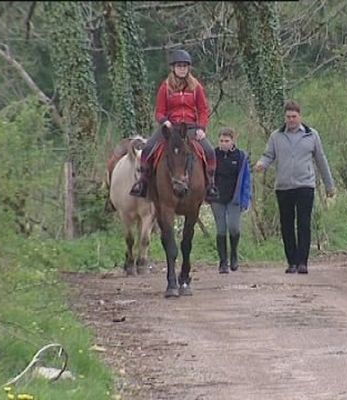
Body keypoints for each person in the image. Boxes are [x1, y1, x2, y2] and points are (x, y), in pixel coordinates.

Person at [254, 100, 335, 274]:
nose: (291, 120)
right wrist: (262, 164)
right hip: (283, 186)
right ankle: (291, 262)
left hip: (305, 184)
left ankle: (302, 262)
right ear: (284, 118)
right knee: (287, 224)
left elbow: (321, 160)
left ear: (300, 116)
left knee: (304, 223)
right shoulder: (277, 136)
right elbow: (268, 155)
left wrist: (329, 185)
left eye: (294, 116)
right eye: (288, 117)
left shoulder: (311, 135)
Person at [130, 49, 219, 200]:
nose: (182, 69)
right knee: (148, 149)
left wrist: (202, 128)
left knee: (210, 152)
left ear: (188, 68)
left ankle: (210, 185)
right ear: (173, 68)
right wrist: (165, 122)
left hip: (190, 128)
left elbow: (203, 110)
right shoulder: (165, 87)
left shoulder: (196, 87)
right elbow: (159, 111)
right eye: (179, 66)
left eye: (185, 66)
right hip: (170, 128)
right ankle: (143, 182)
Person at [210, 127, 252, 274]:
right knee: (221, 229)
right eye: (221, 141)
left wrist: (245, 199)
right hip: (217, 198)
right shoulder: (213, 155)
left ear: (233, 141)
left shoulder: (240, 157)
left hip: (234, 198)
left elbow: (247, 180)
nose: (223, 144)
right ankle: (223, 262)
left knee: (234, 227)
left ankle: (234, 254)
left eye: (227, 141)